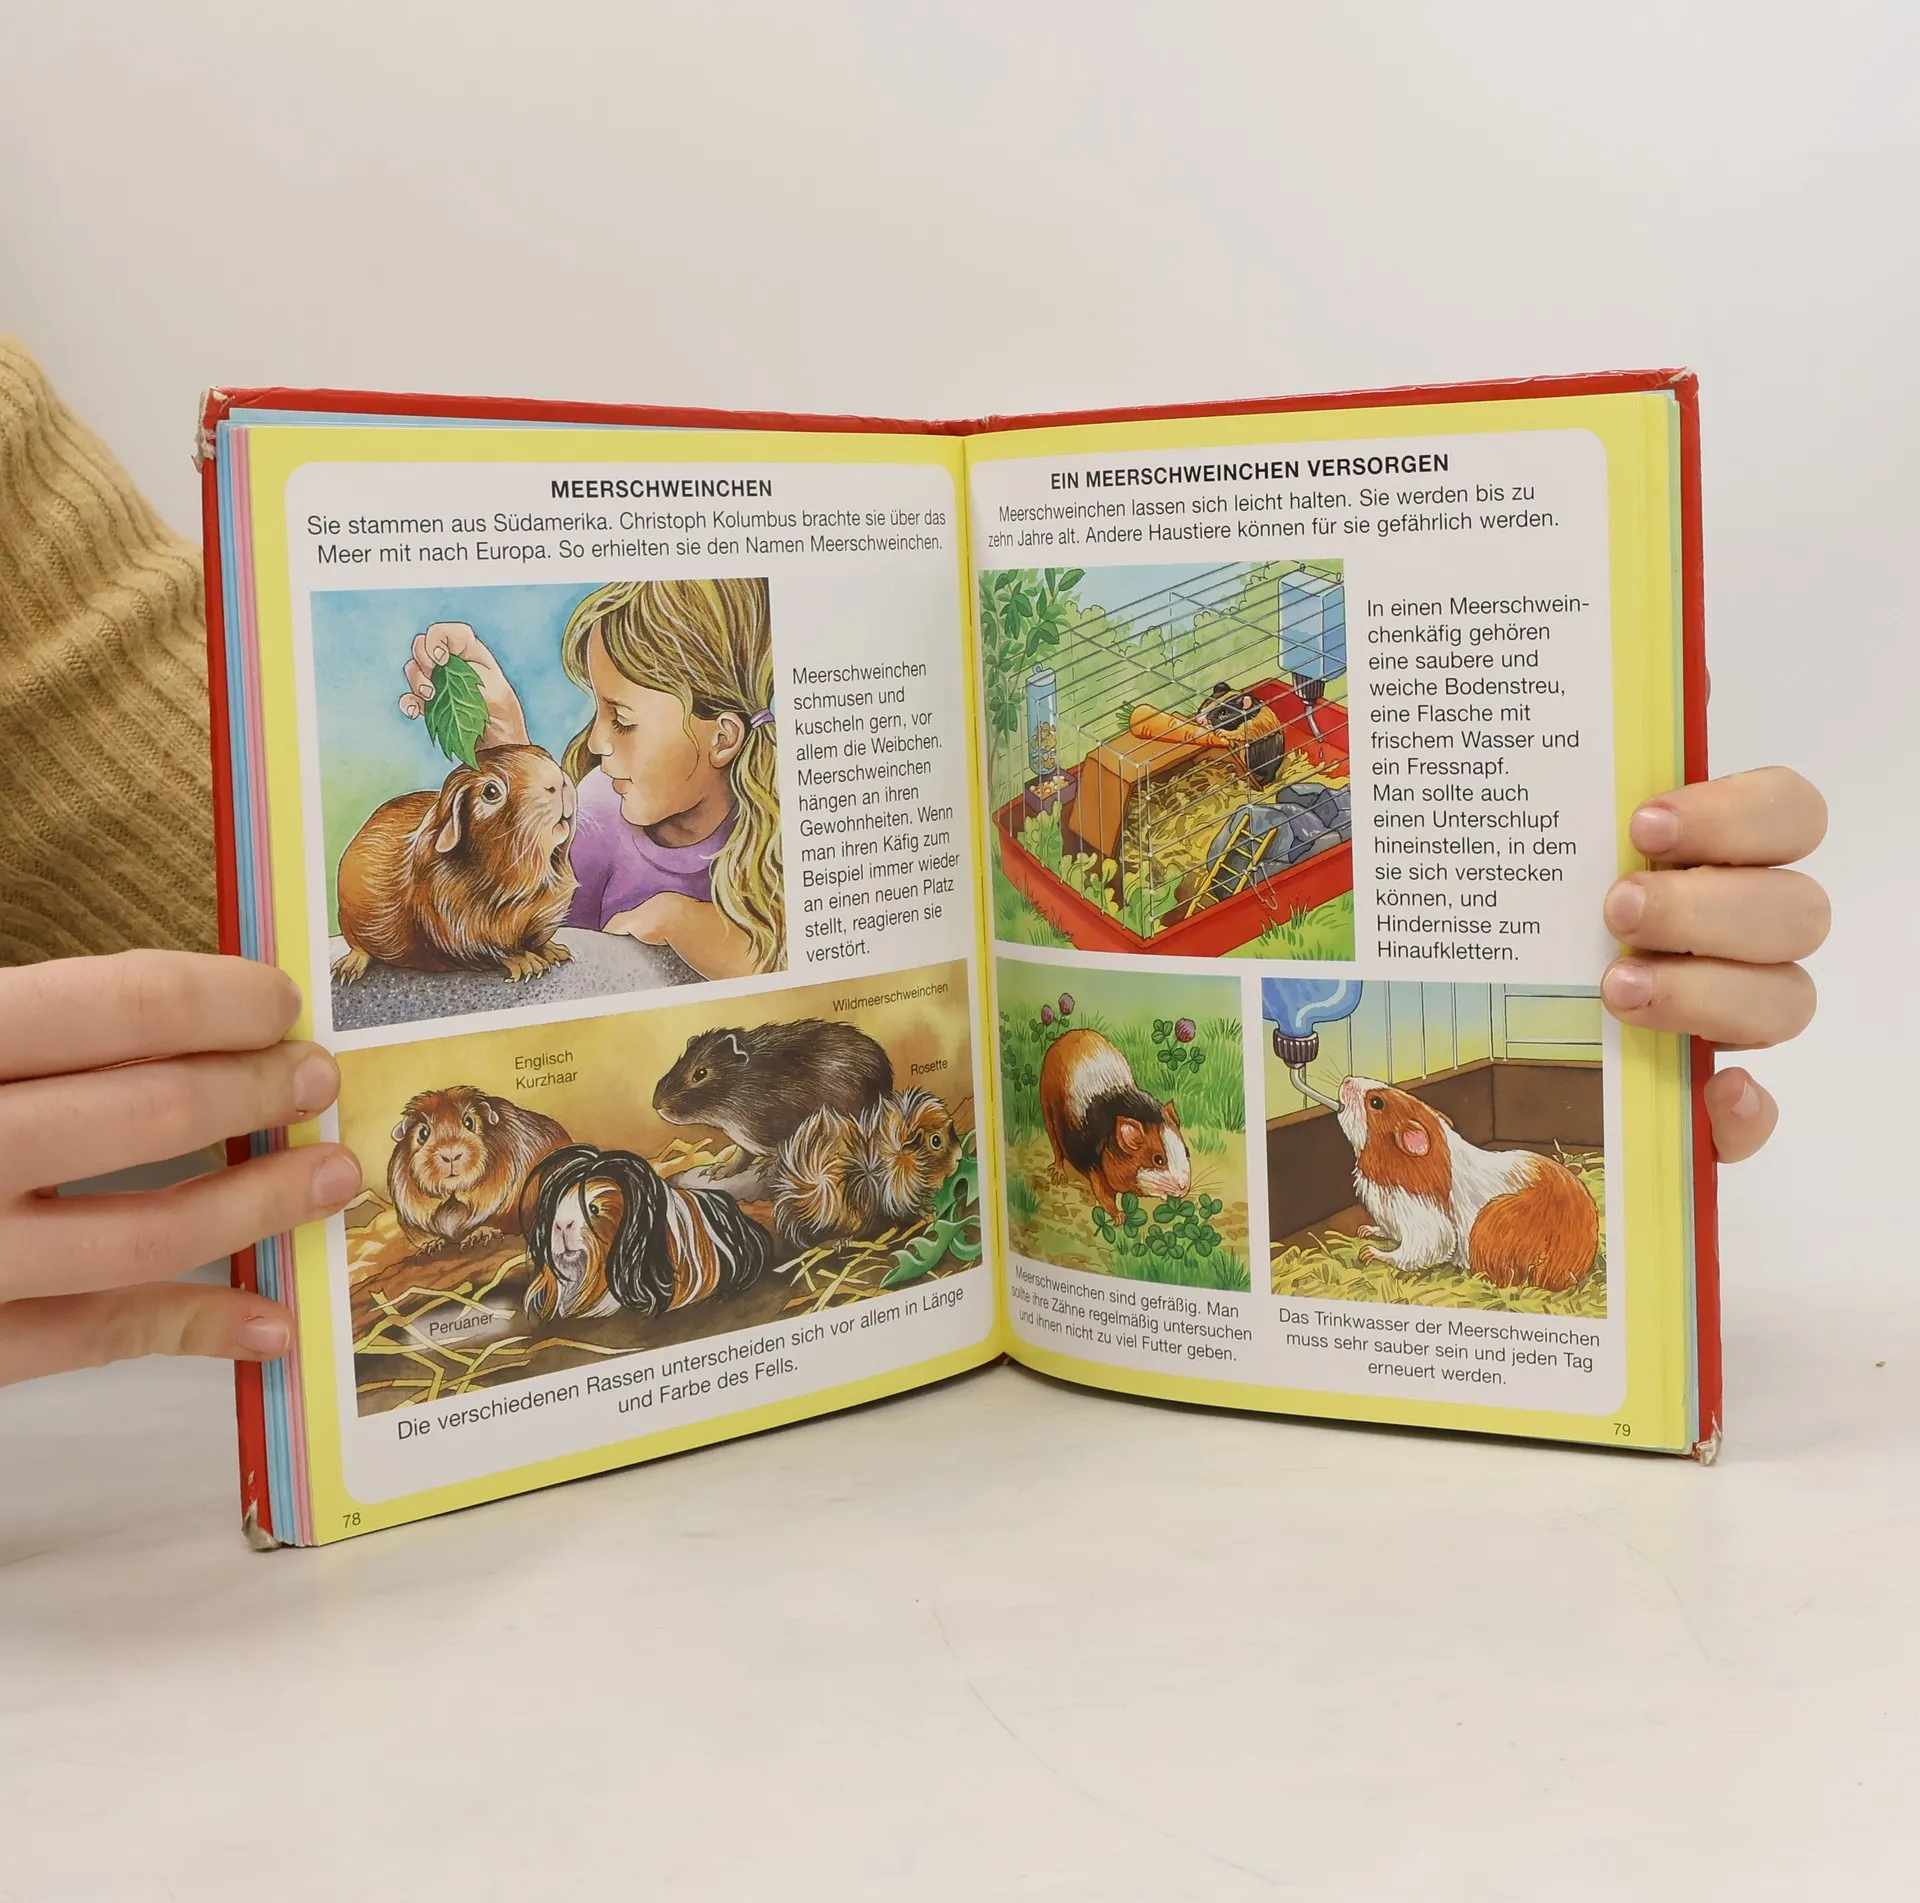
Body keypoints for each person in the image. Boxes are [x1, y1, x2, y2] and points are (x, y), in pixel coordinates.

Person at [0, 340, 1831, 1383]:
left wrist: (1576, 839)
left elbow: (140, 768)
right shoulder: (606, 828)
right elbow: (426, 870)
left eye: (616, 727)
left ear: (726, 736)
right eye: (585, 735)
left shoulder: (690, 854)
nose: (586, 766)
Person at [396, 577, 784, 979]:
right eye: (597, 711)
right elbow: (525, 929)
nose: (597, 742)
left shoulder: (777, 818)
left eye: (623, 720)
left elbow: (784, 955)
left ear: (722, 739)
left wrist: (678, 919)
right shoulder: (600, 812)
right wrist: (509, 749)